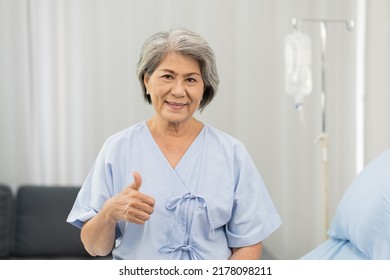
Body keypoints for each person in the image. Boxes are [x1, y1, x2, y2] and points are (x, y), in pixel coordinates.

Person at [67, 28, 282, 260]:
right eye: (167, 76)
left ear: (204, 88)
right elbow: (95, 248)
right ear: (147, 81)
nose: (178, 91)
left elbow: (248, 245)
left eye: (190, 79)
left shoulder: (231, 153)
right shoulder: (117, 149)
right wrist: (109, 212)